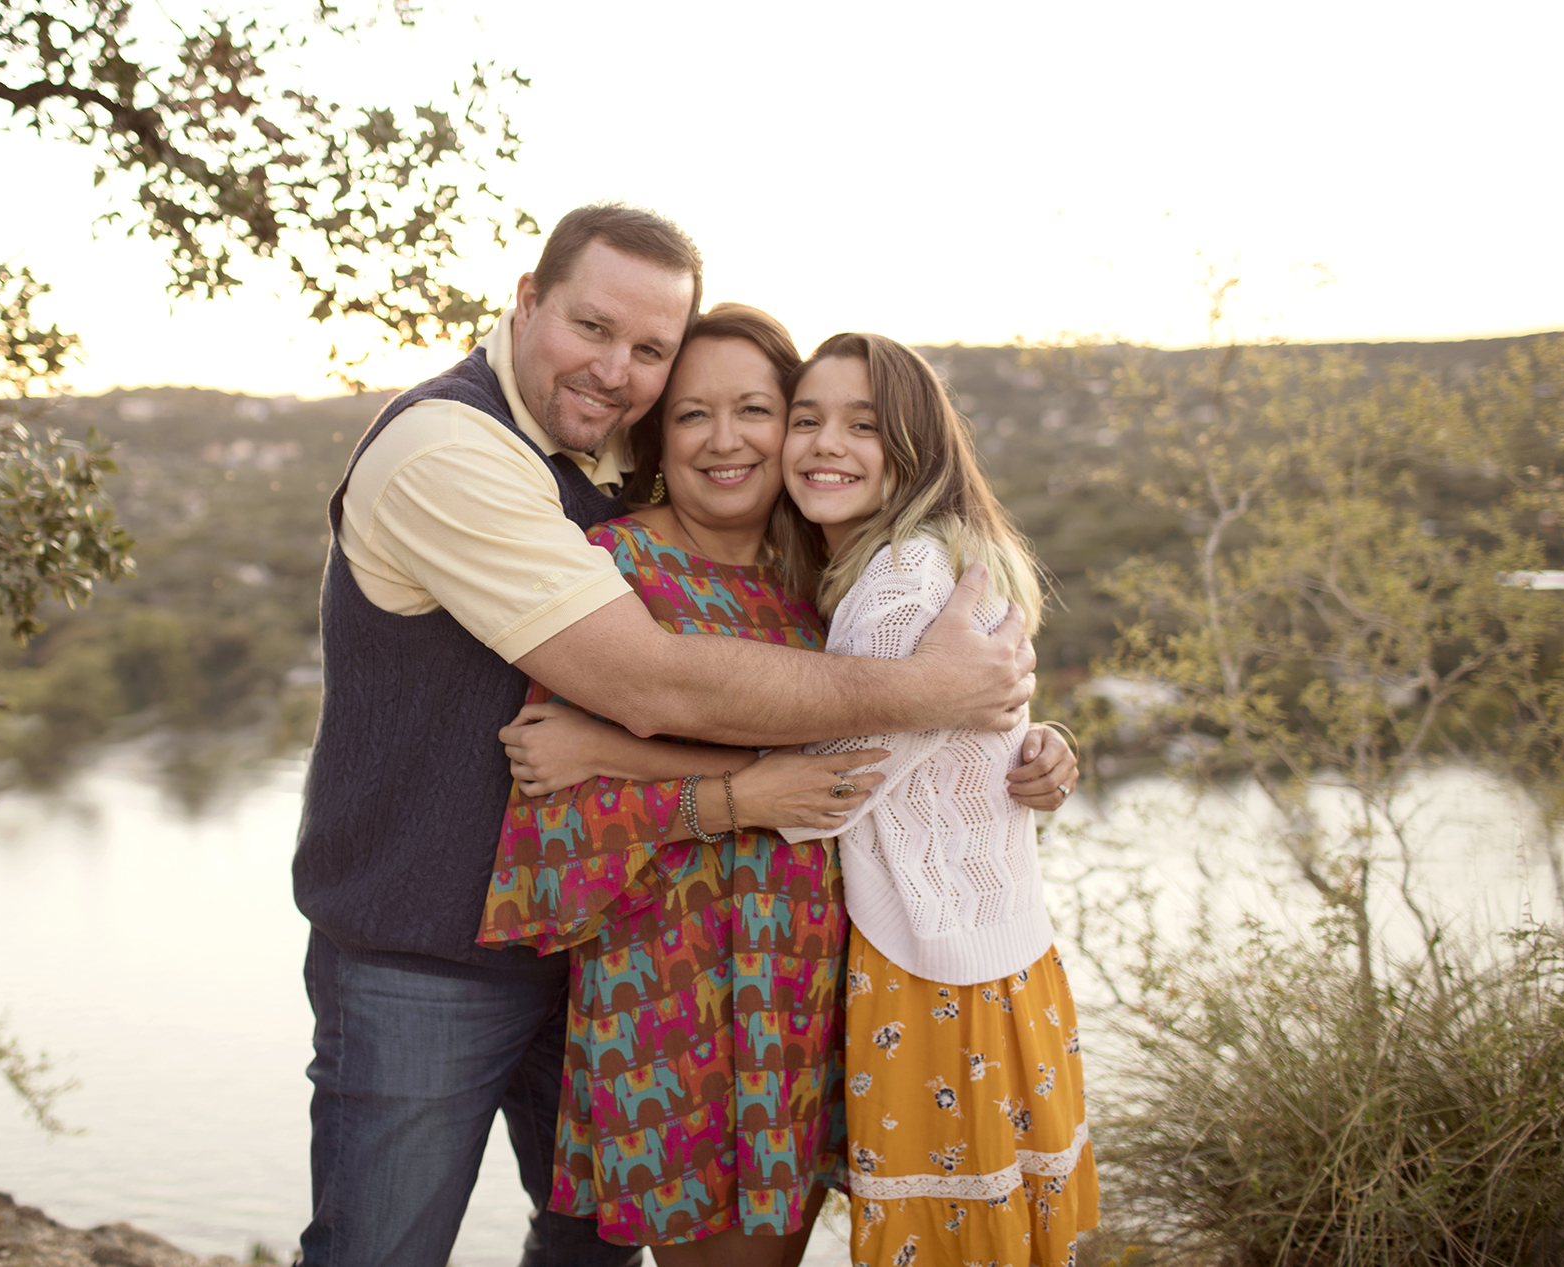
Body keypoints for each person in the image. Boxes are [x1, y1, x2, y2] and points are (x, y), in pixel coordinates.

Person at [293, 204, 1043, 1267]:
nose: (617, 369)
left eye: (648, 349)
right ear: (526, 300)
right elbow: (650, 682)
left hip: (619, 964)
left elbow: (865, 720)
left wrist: (1017, 738)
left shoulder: (743, 534)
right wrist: (917, 696)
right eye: (593, 328)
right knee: (382, 1248)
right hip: (433, 957)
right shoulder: (450, 450)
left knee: (588, 1254)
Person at [476, 308, 1078, 1266]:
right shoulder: (611, 571)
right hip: (671, 990)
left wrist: (1024, 743)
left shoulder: (829, 573)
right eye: (691, 415)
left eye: (757, 409)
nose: (725, 440)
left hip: (819, 979)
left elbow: (899, 739)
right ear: (655, 438)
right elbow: (550, 808)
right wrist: (736, 796)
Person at [779, 333, 1097, 1264]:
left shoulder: (900, 583)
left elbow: (824, 789)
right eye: (808, 420)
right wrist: (1050, 744)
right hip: (1000, 961)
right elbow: (964, 749)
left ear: (913, 446)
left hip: (933, 976)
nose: (826, 444)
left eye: (862, 425)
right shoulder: (938, 560)